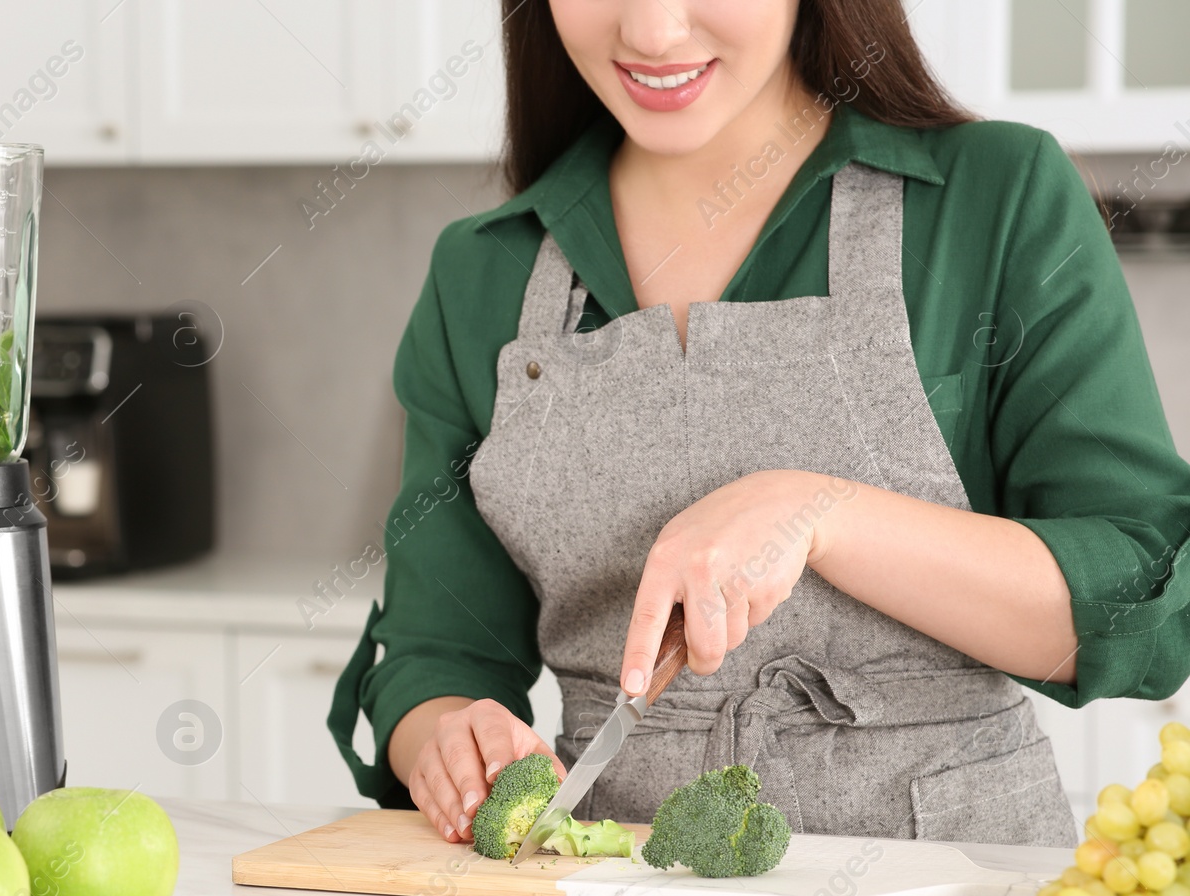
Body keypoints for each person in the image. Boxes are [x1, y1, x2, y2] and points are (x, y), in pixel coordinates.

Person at [327, 0, 1190, 849]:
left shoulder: (995, 197)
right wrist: (446, 735)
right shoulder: (482, 270)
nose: (653, 30)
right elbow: (437, 654)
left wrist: (823, 513)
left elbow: (1138, 600)